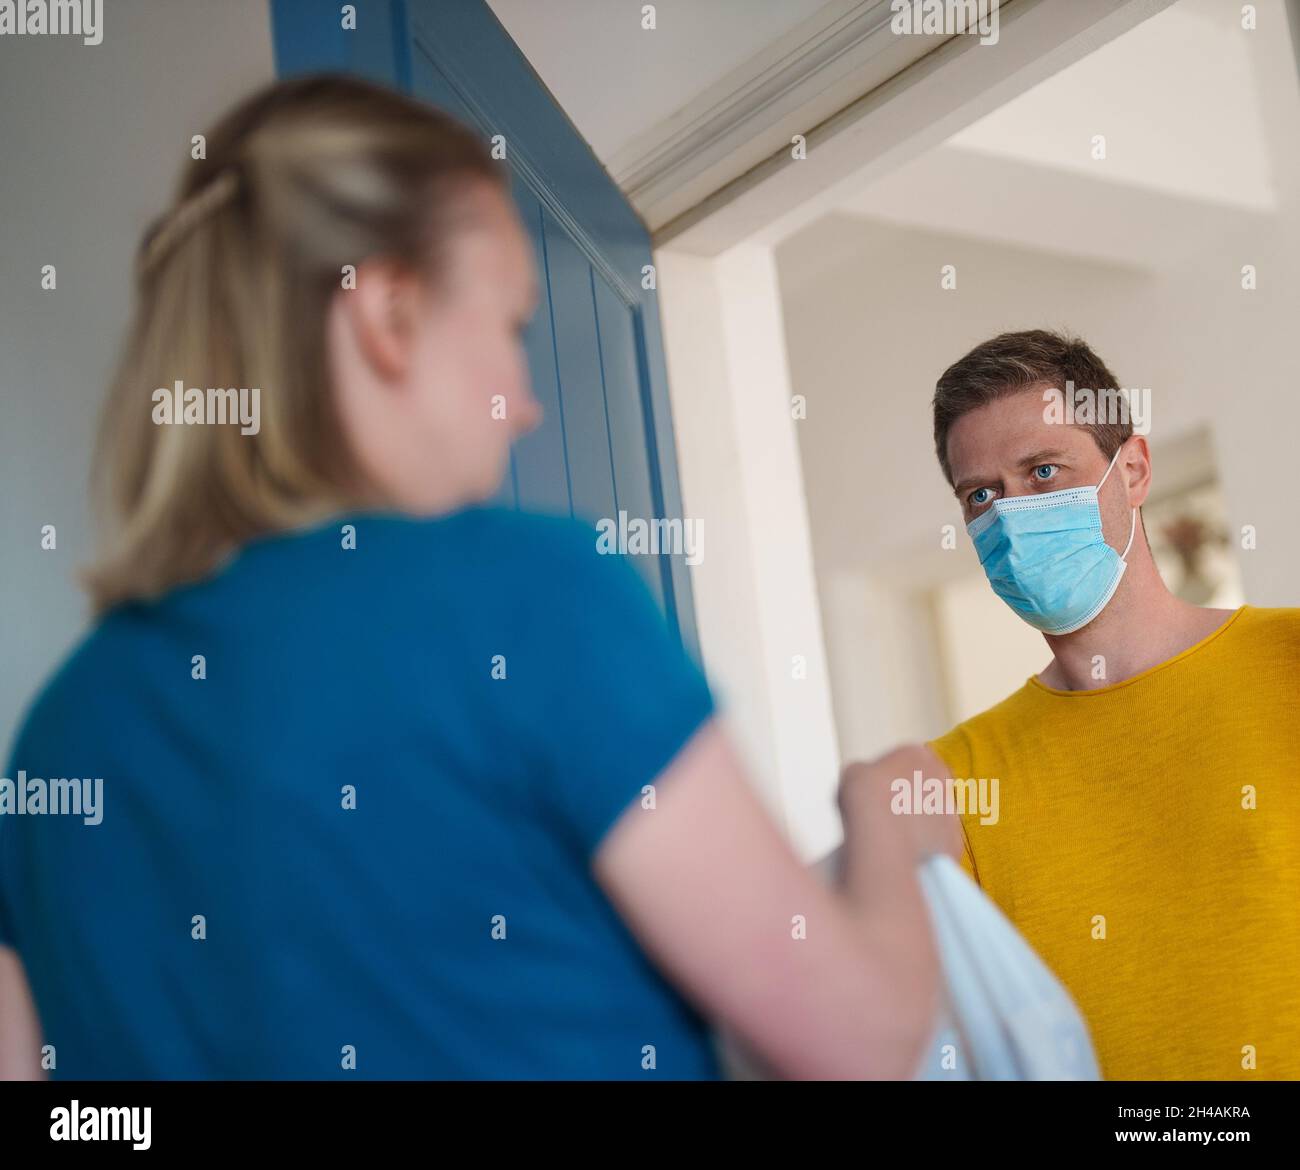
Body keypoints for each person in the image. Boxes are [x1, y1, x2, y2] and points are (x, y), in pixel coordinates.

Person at [0, 75, 952, 1081]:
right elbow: (860, 1044)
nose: (525, 403)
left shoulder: (57, 737)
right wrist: (895, 839)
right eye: (507, 325)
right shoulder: (528, 601)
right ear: (387, 316)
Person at [910, 329, 1298, 1079]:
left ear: (1135, 471)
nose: (1011, 519)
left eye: (1044, 470)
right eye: (981, 495)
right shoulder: (954, 778)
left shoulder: (1289, 663)